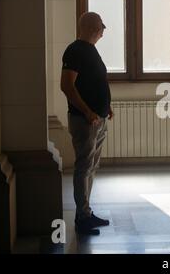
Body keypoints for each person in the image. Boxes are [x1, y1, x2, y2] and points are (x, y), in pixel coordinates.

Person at [61, 12, 113, 235]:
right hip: (85, 120)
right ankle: (82, 217)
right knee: (84, 167)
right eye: (102, 25)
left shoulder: (90, 50)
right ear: (93, 27)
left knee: (91, 166)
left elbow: (93, 82)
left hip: (97, 118)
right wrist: (88, 111)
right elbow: (67, 86)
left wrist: (104, 107)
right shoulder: (75, 51)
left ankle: (86, 212)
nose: (104, 29)